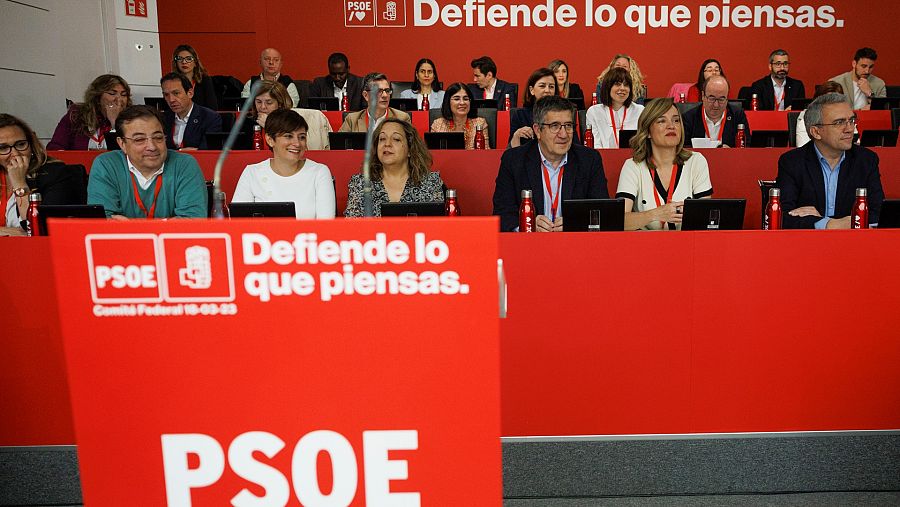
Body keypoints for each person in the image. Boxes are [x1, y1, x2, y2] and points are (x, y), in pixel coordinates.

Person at [492, 95, 609, 232]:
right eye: (555, 126)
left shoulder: (589, 160)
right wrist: (527, 225)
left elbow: (602, 212)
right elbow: (501, 213)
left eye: (568, 126)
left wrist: (575, 223)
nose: (564, 134)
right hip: (529, 245)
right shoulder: (514, 160)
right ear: (537, 130)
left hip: (575, 244)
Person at [776, 93, 884, 229]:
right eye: (839, 123)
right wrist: (828, 223)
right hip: (808, 244)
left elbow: (880, 213)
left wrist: (824, 222)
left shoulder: (866, 160)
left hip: (856, 243)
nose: (850, 129)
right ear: (816, 132)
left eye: (851, 120)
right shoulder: (792, 162)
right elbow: (782, 217)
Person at [87, 106, 207, 219]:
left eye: (158, 137)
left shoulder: (185, 165)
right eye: (139, 140)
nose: (152, 147)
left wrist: (129, 226)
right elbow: (102, 223)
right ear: (122, 144)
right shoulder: (106, 165)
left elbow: (192, 221)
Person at [615, 98, 713, 231]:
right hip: (645, 246)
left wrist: (692, 214)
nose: (671, 126)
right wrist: (656, 214)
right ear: (647, 131)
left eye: (676, 120)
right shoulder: (633, 166)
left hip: (687, 244)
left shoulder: (696, 161)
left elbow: (707, 218)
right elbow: (620, 220)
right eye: (662, 121)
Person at [232, 109, 335, 219]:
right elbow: (238, 223)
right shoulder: (252, 173)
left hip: (308, 236)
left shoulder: (319, 172)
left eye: (302, 137)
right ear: (270, 139)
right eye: (288, 136)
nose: (297, 143)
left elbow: (326, 226)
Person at [1, 114, 87, 235]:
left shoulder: (57, 174)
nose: (15, 153)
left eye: (21, 144)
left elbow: (38, 230)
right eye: (3, 148)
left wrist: (19, 183)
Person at [344, 119, 443, 217]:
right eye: (382, 139)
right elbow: (352, 226)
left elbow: (438, 226)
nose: (387, 144)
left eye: (396, 139)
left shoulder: (431, 181)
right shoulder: (360, 183)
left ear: (410, 149)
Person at [48, 74, 132, 150]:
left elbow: (121, 155)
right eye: (112, 93)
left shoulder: (131, 121)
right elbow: (55, 147)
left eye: (124, 95)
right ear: (97, 96)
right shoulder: (76, 114)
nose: (119, 99)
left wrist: (114, 123)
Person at [682, 75, 750, 148]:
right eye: (712, 98)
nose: (716, 105)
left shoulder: (737, 115)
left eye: (721, 99)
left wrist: (731, 152)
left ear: (727, 98)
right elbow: (683, 149)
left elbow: (746, 146)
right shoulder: (689, 118)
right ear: (703, 96)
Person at [585, 67, 644, 149]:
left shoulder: (640, 111)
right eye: (617, 84)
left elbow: (643, 144)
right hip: (603, 158)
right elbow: (595, 145)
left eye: (626, 85)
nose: (622, 88)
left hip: (633, 159)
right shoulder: (594, 112)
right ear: (608, 87)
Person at [160, 72, 222, 151]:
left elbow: (206, 151)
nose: (171, 99)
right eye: (166, 95)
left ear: (190, 93)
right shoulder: (162, 119)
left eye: (176, 93)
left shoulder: (210, 117)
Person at [338, 73, 410, 132]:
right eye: (379, 91)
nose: (385, 95)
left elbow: (411, 148)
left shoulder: (402, 119)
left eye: (387, 91)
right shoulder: (352, 120)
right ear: (366, 95)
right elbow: (339, 147)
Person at [430, 82, 490, 150]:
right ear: (448, 102)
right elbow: (433, 154)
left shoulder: (480, 123)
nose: (462, 103)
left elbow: (485, 153)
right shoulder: (437, 124)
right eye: (456, 99)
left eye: (465, 99)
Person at [509, 68, 558, 148]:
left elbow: (575, 146)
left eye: (551, 87)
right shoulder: (520, 115)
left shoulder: (564, 114)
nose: (547, 90)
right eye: (542, 86)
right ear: (532, 90)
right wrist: (517, 135)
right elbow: (510, 152)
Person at [795, 81, 844, 147]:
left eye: (836, 101)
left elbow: (855, 144)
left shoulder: (846, 118)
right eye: (828, 100)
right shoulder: (806, 118)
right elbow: (803, 148)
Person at [171, 44, 217, 110]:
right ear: (176, 63)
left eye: (188, 59)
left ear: (195, 62)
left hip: (202, 118)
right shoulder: (171, 82)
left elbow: (212, 108)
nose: (184, 62)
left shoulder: (204, 80)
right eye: (180, 58)